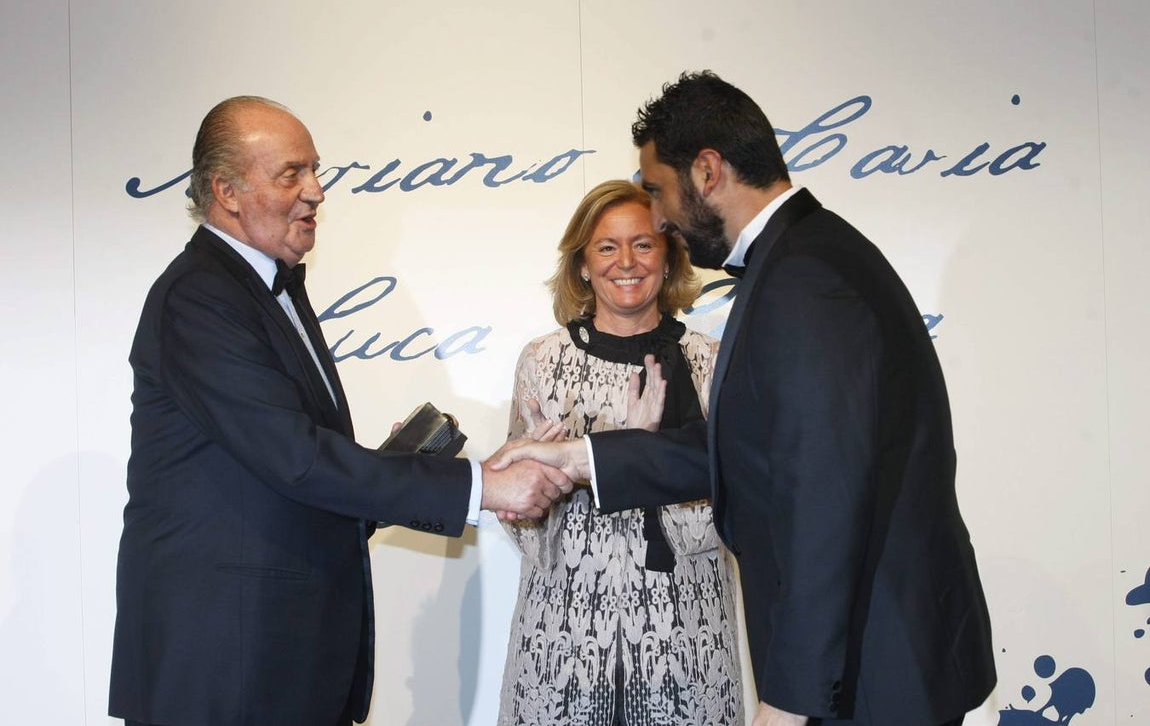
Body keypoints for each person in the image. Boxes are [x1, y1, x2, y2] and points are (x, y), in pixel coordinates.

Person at [493, 72, 996, 726]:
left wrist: (789, 703)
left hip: (872, 669)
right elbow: (745, 449)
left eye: (657, 190)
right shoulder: (804, 257)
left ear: (706, 172)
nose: (659, 216)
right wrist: (580, 459)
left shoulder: (803, 279)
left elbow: (823, 495)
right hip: (871, 656)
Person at [108, 96, 571, 726]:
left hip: (275, 661)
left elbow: (281, 473)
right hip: (225, 671)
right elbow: (298, 460)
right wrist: (481, 486)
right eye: (291, 174)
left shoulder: (267, 288)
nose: (317, 192)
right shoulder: (200, 297)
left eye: (315, 171)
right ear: (227, 191)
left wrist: (399, 468)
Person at [496, 180, 743, 726]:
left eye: (644, 243)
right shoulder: (542, 361)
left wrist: (642, 458)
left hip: (686, 640)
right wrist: (540, 486)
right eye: (607, 247)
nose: (626, 261)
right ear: (583, 264)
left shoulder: (713, 363)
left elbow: (737, 509)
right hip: (563, 641)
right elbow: (522, 527)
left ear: (669, 256)